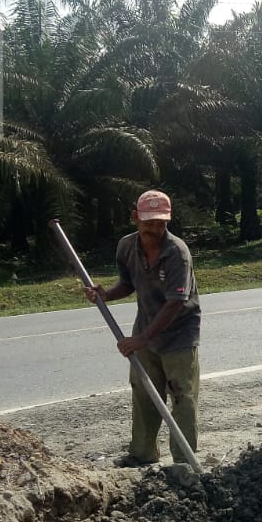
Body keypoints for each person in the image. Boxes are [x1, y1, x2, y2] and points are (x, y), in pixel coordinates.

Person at [85, 189, 201, 467]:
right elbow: (128, 283)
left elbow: (175, 302)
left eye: (161, 223)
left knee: (182, 396)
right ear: (135, 218)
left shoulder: (177, 253)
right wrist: (106, 294)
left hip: (179, 334)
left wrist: (140, 339)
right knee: (144, 391)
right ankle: (143, 453)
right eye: (149, 223)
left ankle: (184, 462)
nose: (155, 229)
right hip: (147, 328)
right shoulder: (126, 246)